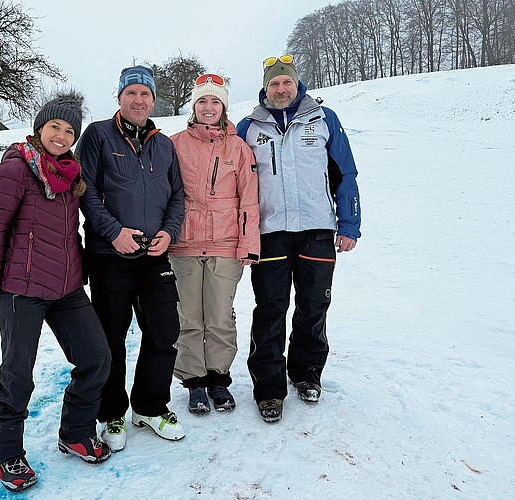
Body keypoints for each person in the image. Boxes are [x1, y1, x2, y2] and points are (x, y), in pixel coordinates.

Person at [0, 92, 112, 493]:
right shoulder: (15, 170)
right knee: (18, 373)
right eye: (55, 126)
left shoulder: (70, 173)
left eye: (70, 130)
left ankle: (75, 432)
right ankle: (5, 453)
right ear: (39, 128)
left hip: (66, 288)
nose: (62, 135)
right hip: (20, 290)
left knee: (96, 358)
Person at [236, 55, 362, 423]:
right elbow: (238, 186)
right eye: (274, 83)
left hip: (318, 230)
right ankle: (269, 389)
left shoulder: (324, 119)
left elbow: (346, 174)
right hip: (270, 233)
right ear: (266, 87)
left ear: (296, 84)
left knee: (313, 307)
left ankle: (306, 374)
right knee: (270, 310)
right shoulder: (248, 127)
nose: (280, 88)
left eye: (286, 82)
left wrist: (349, 224)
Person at [76, 65, 186, 451]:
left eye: (146, 94)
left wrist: (169, 233)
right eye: (132, 93)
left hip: (154, 254)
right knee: (111, 336)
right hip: (110, 253)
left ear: (153, 100)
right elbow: (84, 190)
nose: (139, 100)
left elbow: (177, 197)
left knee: (164, 331)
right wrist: (113, 232)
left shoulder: (164, 144)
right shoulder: (98, 135)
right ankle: (112, 413)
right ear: (119, 98)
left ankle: (150, 407)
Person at [168, 74, 260, 414]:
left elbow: (249, 199)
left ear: (223, 107)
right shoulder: (174, 143)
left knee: (220, 317)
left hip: (225, 244)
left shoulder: (237, 147)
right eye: (202, 101)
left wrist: (248, 245)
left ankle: (219, 379)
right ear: (194, 106)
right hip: (184, 245)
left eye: (215, 102)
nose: (208, 108)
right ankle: (193, 382)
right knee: (189, 317)